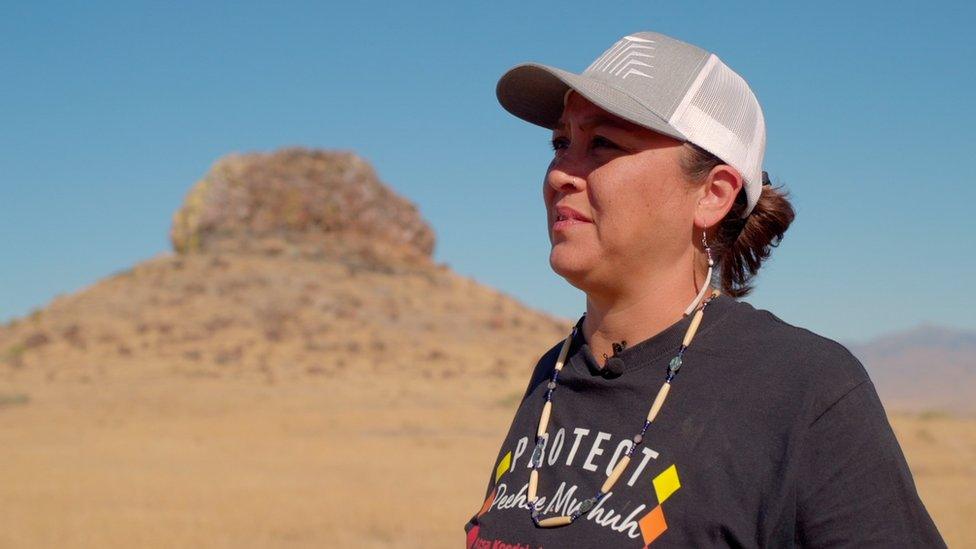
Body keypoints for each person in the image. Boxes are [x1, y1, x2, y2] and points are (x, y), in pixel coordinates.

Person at [463, 31, 945, 548]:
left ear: (712, 195)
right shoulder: (554, 374)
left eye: (602, 143)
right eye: (561, 143)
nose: (560, 173)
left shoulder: (801, 388)